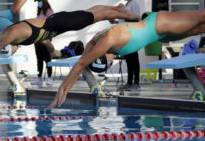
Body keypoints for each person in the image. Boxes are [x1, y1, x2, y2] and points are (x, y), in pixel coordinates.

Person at [49, 9, 205, 108]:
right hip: (160, 33)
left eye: (108, 65)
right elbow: (81, 63)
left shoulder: (108, 40)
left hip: (160, 24)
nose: (111, 64)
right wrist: (65, 88)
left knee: (201, 17)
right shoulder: (95, 41)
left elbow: (82, 63)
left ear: (105, 59)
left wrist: (63, 88)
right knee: (199, 29)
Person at [0, 3, 141, 63]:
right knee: (91, 13)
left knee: (97, 16)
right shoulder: (22, 38)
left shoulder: (14, 33)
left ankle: (127, 15)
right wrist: (54, 52)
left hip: (61, 23)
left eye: (11, 52)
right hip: (60, 23)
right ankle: (116, 8)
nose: (14, 52)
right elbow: (44, 41)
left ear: (7, 47)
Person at [118, 0, 141, 91]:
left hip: (133, 34)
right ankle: (129, 82)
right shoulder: (126, 4)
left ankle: (136, 83)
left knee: (134, 60)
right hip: (125, 35)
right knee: (128, 60)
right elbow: (124, 19)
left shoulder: (134, 4)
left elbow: (136, 19)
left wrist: (124, 16)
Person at [31, 0, 54, 86]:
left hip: (45, 38)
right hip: (37, 38)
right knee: (39, 58)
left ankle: (49, 77)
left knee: (47, 58)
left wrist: (48, 38)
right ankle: (39, 78)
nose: (38, 3)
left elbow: (52, 24)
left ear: (43, 1)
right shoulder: (40, 12)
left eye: (39, 1)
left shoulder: (49, 11)